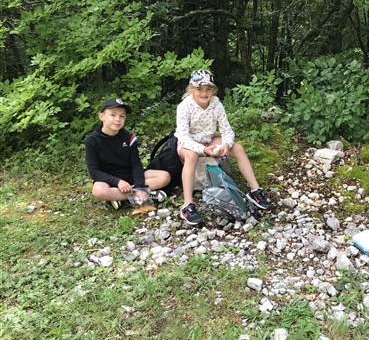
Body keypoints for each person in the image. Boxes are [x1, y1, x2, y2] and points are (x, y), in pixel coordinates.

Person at [175, 69, 272, 226]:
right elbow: (183, 137)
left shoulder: (216, 104)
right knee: (192, 156)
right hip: (188, 144)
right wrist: (202, 150)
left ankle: (255, 190)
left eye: (208, 89)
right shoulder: (184, 106)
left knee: (238, 148)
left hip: (209, 140)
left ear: (213, 90)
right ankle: (187, 205)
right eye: (199, 89)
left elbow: (227, 130)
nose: (204, 93)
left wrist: (226, 144)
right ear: (192, 89)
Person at [85, 98, 170, 209]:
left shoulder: (129, 137)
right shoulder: (92, 140)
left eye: (122, 116)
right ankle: (139, 196)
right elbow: (94, 171)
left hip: (129, 175)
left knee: (164, 176)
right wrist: (118, 182)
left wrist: (140, 186)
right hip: (108, 180)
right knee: (98, 190)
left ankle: (123, 196)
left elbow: (136, 163)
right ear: (102, 117)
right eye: (113, 115)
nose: (117, 119)